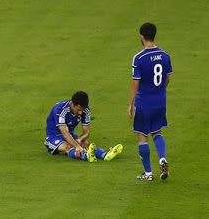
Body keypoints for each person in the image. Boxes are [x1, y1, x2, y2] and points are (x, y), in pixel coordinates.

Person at [128, 22, 172, 181]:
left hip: (144, 102)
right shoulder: (165, 55)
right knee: (157, 132)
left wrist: (130, 104)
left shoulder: (139, 58)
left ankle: (148, 174)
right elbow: (167, 79)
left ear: (141, 36)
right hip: (160, 100)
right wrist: (158, 90)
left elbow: (135, 83)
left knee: (141, 134)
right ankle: (162, 158)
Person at [44, 91, 123, 162]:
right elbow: (64, 132)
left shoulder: (86, 111)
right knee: (68, 147)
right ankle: (86, 156)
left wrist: (79, 140)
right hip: (54, 137)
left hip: (70, 135)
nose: (81, 112)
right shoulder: (60, 110)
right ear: (72, 104)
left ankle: (105, 155)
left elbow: (86, 132)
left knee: (85, 143)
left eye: (83, 109)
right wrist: (77, 146)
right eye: (78, 109)